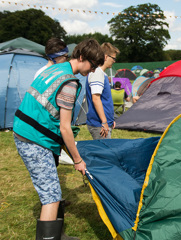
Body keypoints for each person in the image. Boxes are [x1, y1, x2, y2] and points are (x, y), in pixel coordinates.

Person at [13, 39, 104, 240]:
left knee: (52, 186)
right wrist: (77, 160)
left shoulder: (54, 68)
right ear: (81, 57)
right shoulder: (69, 82)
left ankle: (58, 234)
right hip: (34, 139)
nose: (93, 70)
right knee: (52, 197)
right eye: (92, 65)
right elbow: (64, 127)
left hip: (26, 131)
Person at [86, 42, 120, 139]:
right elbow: (96, 99)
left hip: (103, 123)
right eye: (113, 58)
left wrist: (110, 119)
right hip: (99, 124)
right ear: (105, 57)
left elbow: (105, 99)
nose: (114, 61)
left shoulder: (102, 74)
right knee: (104, 153)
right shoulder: (97, 73)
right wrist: (104, 122)